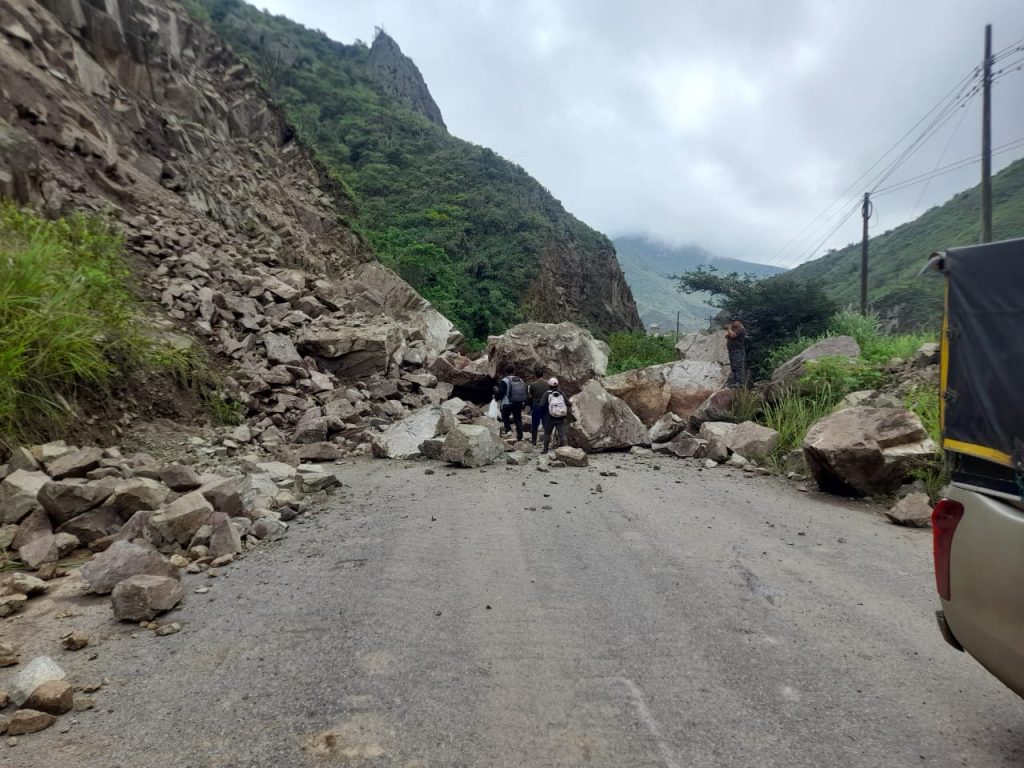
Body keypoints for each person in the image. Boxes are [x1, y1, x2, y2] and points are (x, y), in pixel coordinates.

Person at [494, 364, 528, 441]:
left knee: (505, 416)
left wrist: (496, 398)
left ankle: (508, 430)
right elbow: (524, 391)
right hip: (518, 402)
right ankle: (520, 436)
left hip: (507, 403)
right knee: (518, 419)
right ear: (514, 371)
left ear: (506, 372)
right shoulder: (520, 380)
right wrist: (524, 403)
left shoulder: (505, 380)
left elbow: (501, 392)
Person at [540, 377, 571, 454]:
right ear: (558, 385)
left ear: (549, 385)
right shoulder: (561, 393)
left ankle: (545, 450)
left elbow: (541, 405)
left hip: (549, 418)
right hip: (561, 417)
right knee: (562, 434)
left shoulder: (546, 393)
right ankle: (567, 451)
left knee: (547, 433)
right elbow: (569, 404)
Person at [527, 366, 550, 446]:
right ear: (543, 375)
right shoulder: (548, 384)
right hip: (546, 406)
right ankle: (546, 441)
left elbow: (530, 396)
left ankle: (534, 441)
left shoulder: (533, 385)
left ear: (535, 376)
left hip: (536, 406)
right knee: (546, 424)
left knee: (535, 424)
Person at [724, 318, 747, 388]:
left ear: (739, 321)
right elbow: (727, 336)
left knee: (738, 367)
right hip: (732, 350)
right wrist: (729, 330)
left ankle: (739, 383)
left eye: (734, 321)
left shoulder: (741, 329)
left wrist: (729, 328)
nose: (732, 323)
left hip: (738, 351)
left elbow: (733, 335)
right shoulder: (735, 329)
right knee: (733, 367)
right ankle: (733, 382)